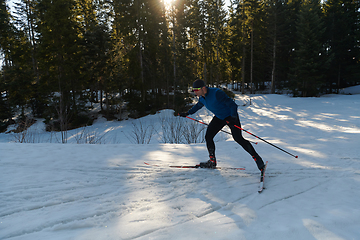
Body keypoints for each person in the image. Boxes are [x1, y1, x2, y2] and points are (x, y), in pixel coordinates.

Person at [180, 79, 265, 171]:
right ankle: (212, 162)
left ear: (203, 88)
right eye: (194, 90)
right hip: (219, 118)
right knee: (208, 136)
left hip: (230, 117)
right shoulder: (202, 98)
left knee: (238, 138)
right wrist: (188, 113)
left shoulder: (216, 93)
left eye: (196, 89)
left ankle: (257, 159)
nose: (194, 92)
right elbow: (198, 106)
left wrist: (233, 117)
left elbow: (233, 105)